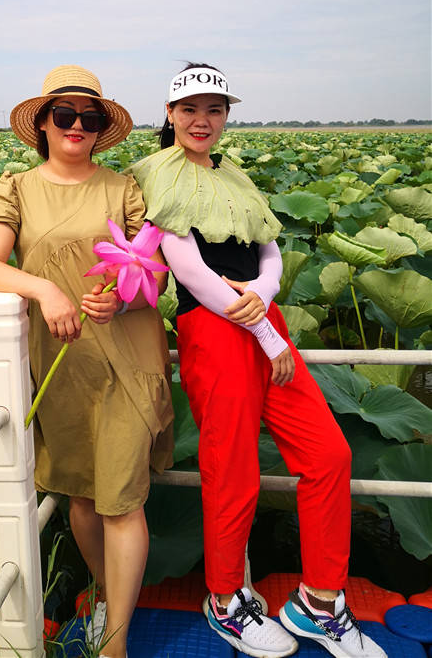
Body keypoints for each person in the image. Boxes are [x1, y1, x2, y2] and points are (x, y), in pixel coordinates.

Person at [129, 62, 387, 658]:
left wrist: (265, 299)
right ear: (169, 115)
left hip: (259, 317)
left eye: (215, 109)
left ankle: (319, 602)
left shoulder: (236, 174)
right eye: (190, 109)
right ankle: (226, 601)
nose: (202, 120)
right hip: (212, 329)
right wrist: (260, 327)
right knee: (232, 468)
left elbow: (270, 250)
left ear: (226, 116)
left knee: (330, 454)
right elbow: (188, 268)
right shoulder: (152, 175)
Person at [0, 65, 173, 658]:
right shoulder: (16, 186)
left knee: (122, 498)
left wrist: (121, 295)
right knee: (83, 496)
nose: (77, 125)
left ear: (101, 127)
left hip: (128, 356)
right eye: (64, 115)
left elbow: (150, 271)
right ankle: (109, 596)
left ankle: (115, 643)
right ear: (43, 123)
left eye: (89, 117)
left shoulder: (123, 187)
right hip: (62, 362)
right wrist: (46, 290)